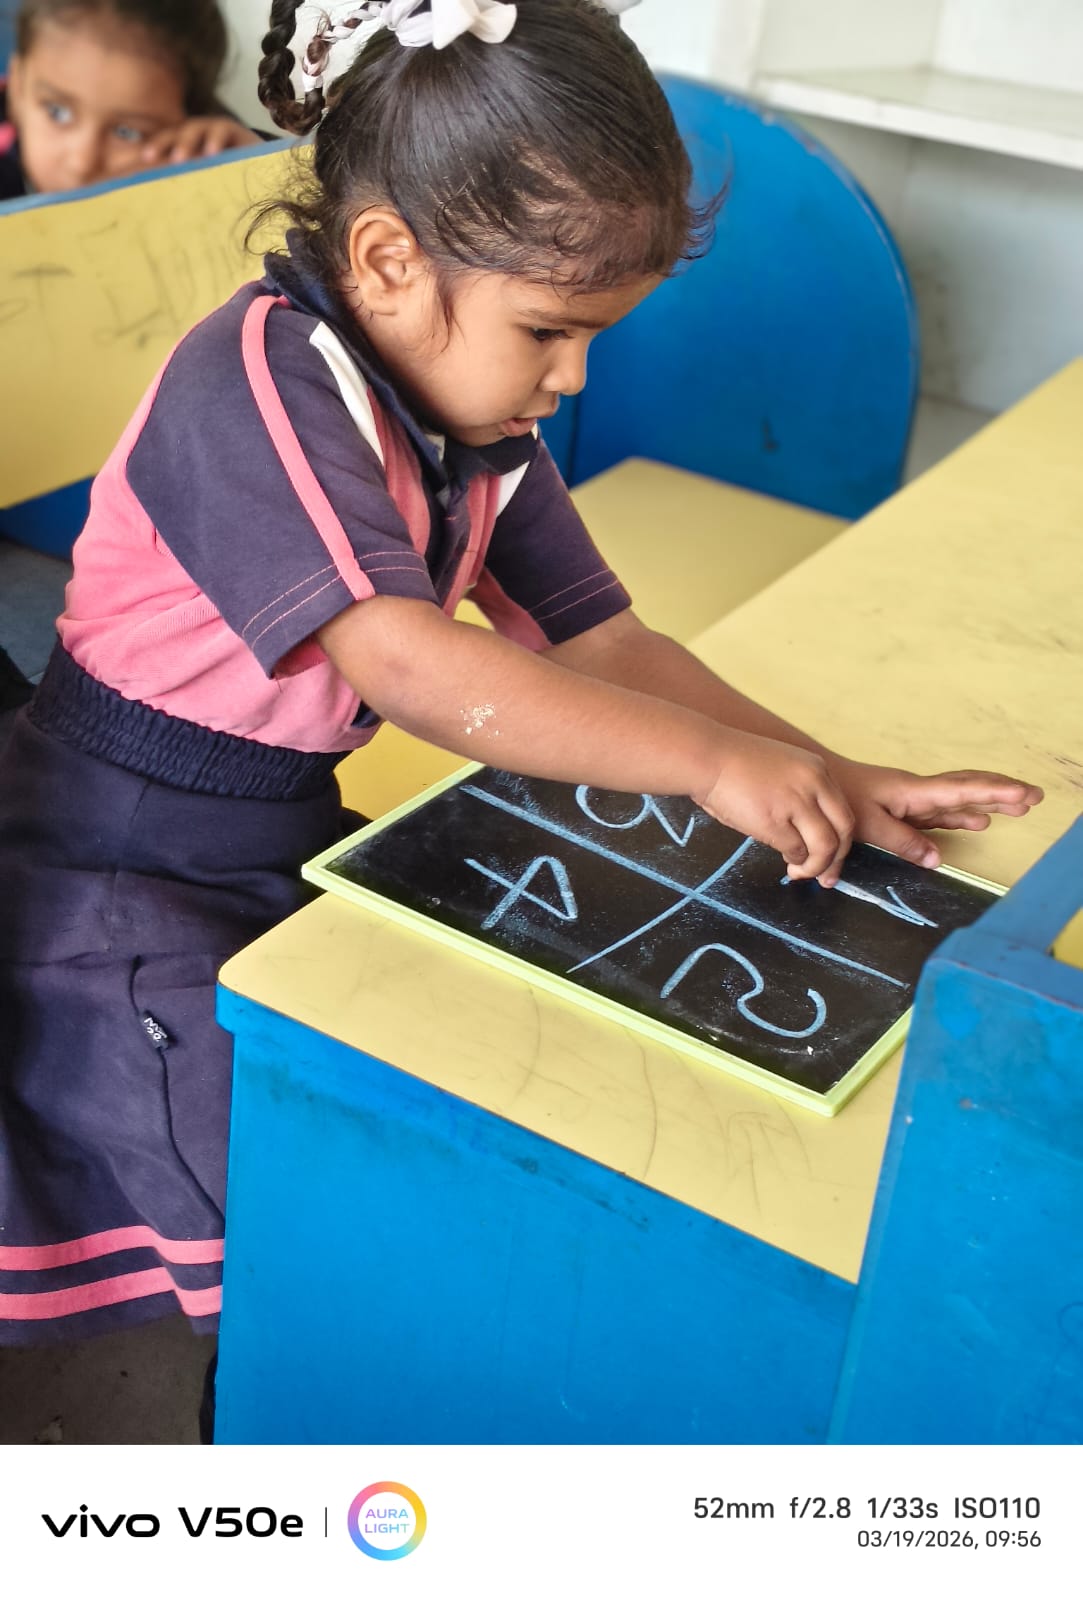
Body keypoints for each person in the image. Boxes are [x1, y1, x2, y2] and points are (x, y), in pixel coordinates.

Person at [0, 0, 1041, 1348]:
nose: (574, 376)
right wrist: (710, 767)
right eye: (551, 330)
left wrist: (817, 768)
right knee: (274, 1204)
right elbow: (411, 666)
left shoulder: (467, 412)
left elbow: (603, 640)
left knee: (410, 1091)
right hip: (118, 868)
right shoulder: (255, 384)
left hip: (274, 829)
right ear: (387, 259)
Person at [0, 0, 262, 201]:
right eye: (57, 112)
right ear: (17, 89)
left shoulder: (220, 155)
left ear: (190, 123)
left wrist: (257, 177)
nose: (82, 162)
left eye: (127, 132)